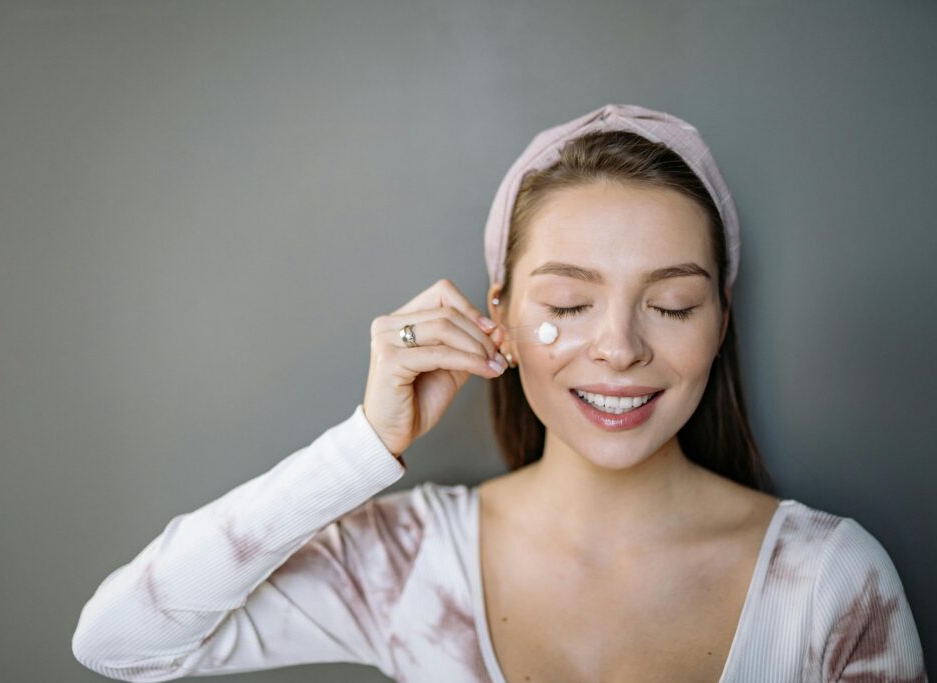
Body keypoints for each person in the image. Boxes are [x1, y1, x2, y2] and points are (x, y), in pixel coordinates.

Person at [71, 104, 928, 682]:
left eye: (670, 304)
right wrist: (367, 440)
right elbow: (120, 639)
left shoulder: (830, 582)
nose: (621, 347)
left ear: (719, 322)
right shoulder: (409, 562)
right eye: (567, 304)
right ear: (501, 323)